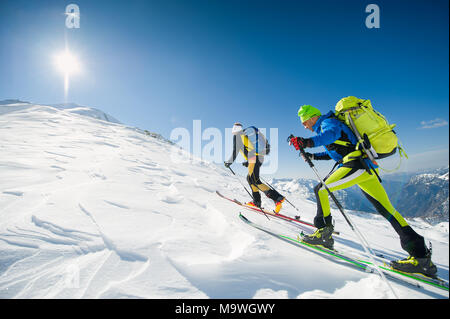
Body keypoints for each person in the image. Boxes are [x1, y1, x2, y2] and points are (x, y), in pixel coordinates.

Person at [289, 104, 437, 278]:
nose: (305, 126)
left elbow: (330, 136)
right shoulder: (329, 126)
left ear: (313, 117)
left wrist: (306, 142)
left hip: (356, 165)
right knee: (387, 210)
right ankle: (421, 257)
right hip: (364, 167)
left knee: (321, 189)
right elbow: (335, 152)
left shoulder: (328, 123)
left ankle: (324, 233)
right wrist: (313, 155)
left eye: (305, 122)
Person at [225, 122, 285, 213]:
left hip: (253, 158)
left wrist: (229, 162)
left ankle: (277, 198)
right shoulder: (245, 134)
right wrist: (247, 162)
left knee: (255, 180)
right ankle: (256, 202)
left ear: (233, 130)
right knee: (250, 178)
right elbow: (249, 149)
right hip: (258, 158)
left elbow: (235, 151)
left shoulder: (237, 136)